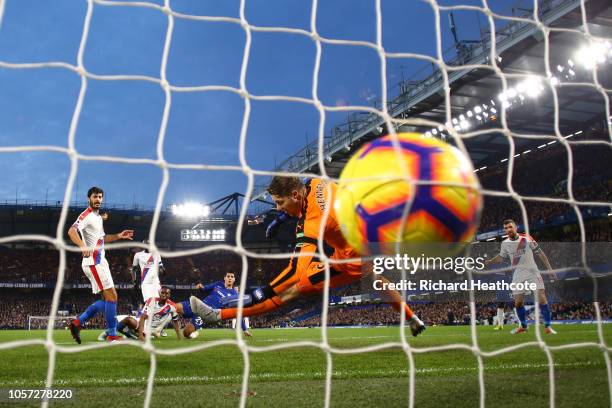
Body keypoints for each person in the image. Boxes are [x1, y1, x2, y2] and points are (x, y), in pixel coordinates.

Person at [189, 176, 425, 336]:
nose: (279, 208)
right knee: (379, 282)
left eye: (280, 204)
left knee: (291, 289)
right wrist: (282, 218)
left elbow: (296, 271)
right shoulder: (314, 183)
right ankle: (413, 319)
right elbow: (308, 197)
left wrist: (263, 291)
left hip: (350, 260)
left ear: (295, 195)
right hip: (367, 239)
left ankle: (218, 314)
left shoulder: (311, 221)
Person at [67, 186, 134, 343]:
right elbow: (71, 231)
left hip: (101, 262)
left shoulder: (97, 217)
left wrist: (119, 236)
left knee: (108, 300)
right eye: (95, 197)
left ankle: (77, 323)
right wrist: (82, 246)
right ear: (88, 198)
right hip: (93, 262)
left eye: (100, 197)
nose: (98, 199)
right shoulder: (86, 215)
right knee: (112, 297)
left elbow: (102, 239)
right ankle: (112, 335)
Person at [485, 219, 557, 334]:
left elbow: (540, 253)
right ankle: (523, 326)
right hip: (518, 275)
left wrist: (550, 269)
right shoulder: (505, 243)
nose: (508, 230)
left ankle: (548, 326)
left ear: (515, 227)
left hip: (532, 273)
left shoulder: (526, 238)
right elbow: (500, 257)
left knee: (541, 298)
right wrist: (490, 261)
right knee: (518, 303)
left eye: (510, 227)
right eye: (506, 228)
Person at [176, 271, 252, 337]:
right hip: (200, 304)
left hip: (208, 314)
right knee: (176, 307)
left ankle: (193, 332)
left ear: (234, 279)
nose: (230, 278)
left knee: (186, 332)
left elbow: (237, 312)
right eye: (228, 276)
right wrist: (200, 287)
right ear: (224, 278)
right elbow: (204, 288)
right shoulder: (218, 284)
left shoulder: (235, 295)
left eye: (232, 277)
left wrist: (245, 329)